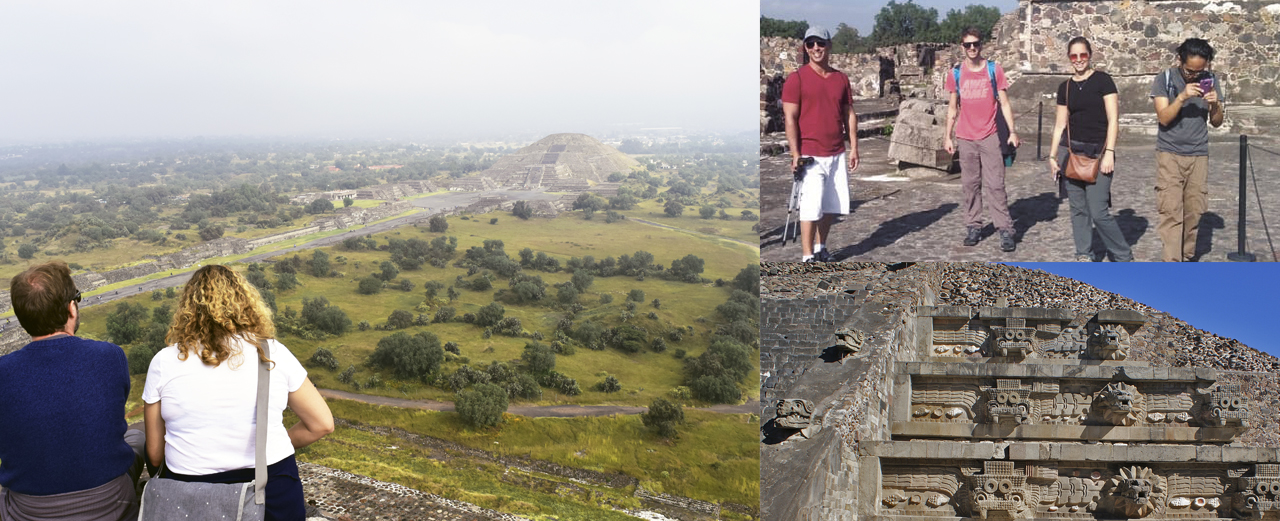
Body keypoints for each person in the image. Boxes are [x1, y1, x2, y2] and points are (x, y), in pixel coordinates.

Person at [143, 264, 334, 520]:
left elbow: (154, 455)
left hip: (188, 495)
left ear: (188, 309)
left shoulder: (163, 362)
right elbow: (321, 424)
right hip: (271, 488)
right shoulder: (272, 352)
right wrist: (270, 444)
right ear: (244, 302)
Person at [0, 261, 145, 521]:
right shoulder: (109, 356)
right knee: (139, 434)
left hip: (28, 511)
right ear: (71, 308)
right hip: (109, 503)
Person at [1048, 37, 1133, 262]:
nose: (1078, 60)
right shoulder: (1064, 87)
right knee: (1077, 210)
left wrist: (1110, 152)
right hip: (1071, 153)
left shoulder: (1103, 81)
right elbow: (1059, 124)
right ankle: (1083, 254)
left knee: (1099, 212)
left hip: (1099, 154)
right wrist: (1052, 155)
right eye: (1073, 56)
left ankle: (1123, 255)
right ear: (1069, 58)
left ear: (1090, 55)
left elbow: (1113, 120)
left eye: (1082, 55)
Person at [781, 25, 860, 262]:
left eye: (820, 43)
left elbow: (849, 113)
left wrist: (854, 146)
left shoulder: (840, 79)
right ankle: (807, 257)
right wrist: (795, 153)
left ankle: (820, 247)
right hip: (811, 154)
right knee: (810, 208)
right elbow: (790, 119)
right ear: (805, 47)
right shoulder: (797, 80)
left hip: (836, 151)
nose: (816, 48)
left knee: (829, 207)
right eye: (811, 44)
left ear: (828, 45)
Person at [944, 27, 1021, 252]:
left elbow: (1004, 103)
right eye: (967, 45)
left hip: (989, 135)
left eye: (975, 44)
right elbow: (952, 107)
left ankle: (1005, 229)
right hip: (965, 136)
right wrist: (946, 136)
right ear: (962, 47)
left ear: (981, 45)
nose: (972, 48)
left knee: (996, 185)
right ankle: (973, 225)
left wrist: (1013, 131)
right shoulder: (956, 73)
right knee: (970, 185)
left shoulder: (993, 70)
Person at [1151, 38, 1224, 262]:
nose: (1194, 75)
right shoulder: (1164, 79)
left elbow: (1217, 122)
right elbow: (1163, 118)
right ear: (1179, 60)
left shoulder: (1210, 80)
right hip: (1169, 153)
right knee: (1171, 212)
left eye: (1199, 71)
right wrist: (1182, 96)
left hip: (1198, 154)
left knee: (1194, 212)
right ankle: (1172, 265)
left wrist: (1215, 104)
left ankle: (1186, 257)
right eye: (1189, 70)